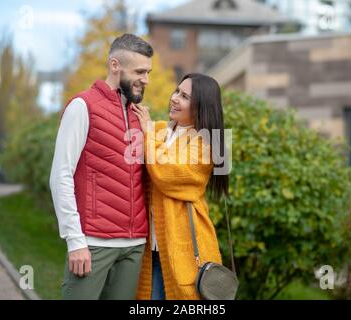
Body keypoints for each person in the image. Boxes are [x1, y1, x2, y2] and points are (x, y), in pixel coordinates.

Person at [49, 33, 153, 300]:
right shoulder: (83, 106)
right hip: (93, 243)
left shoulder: (139, 116)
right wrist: (75, 240)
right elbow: (60, 175)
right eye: (140, 71)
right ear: (115, 65)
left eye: (149, 72)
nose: (146, 79)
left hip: (133, 245)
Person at [131, 73, 230, 300]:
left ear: (200, 107)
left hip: (184, 247)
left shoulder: (205, 144)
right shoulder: (161, 132)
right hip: (151, 246)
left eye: (184, 96)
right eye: (177, 91)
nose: (174, 98)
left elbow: (165, 173)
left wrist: (147, 134)